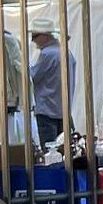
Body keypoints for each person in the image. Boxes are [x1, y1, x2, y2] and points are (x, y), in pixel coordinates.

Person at [27, 16, 75, 148]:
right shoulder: (66, 53)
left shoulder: (47, 54)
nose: (33, 40)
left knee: (50, 151)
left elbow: (32, 77)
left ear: (44, 36)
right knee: (64, 151)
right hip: (64, 111)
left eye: (35, 36)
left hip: (47, 111)